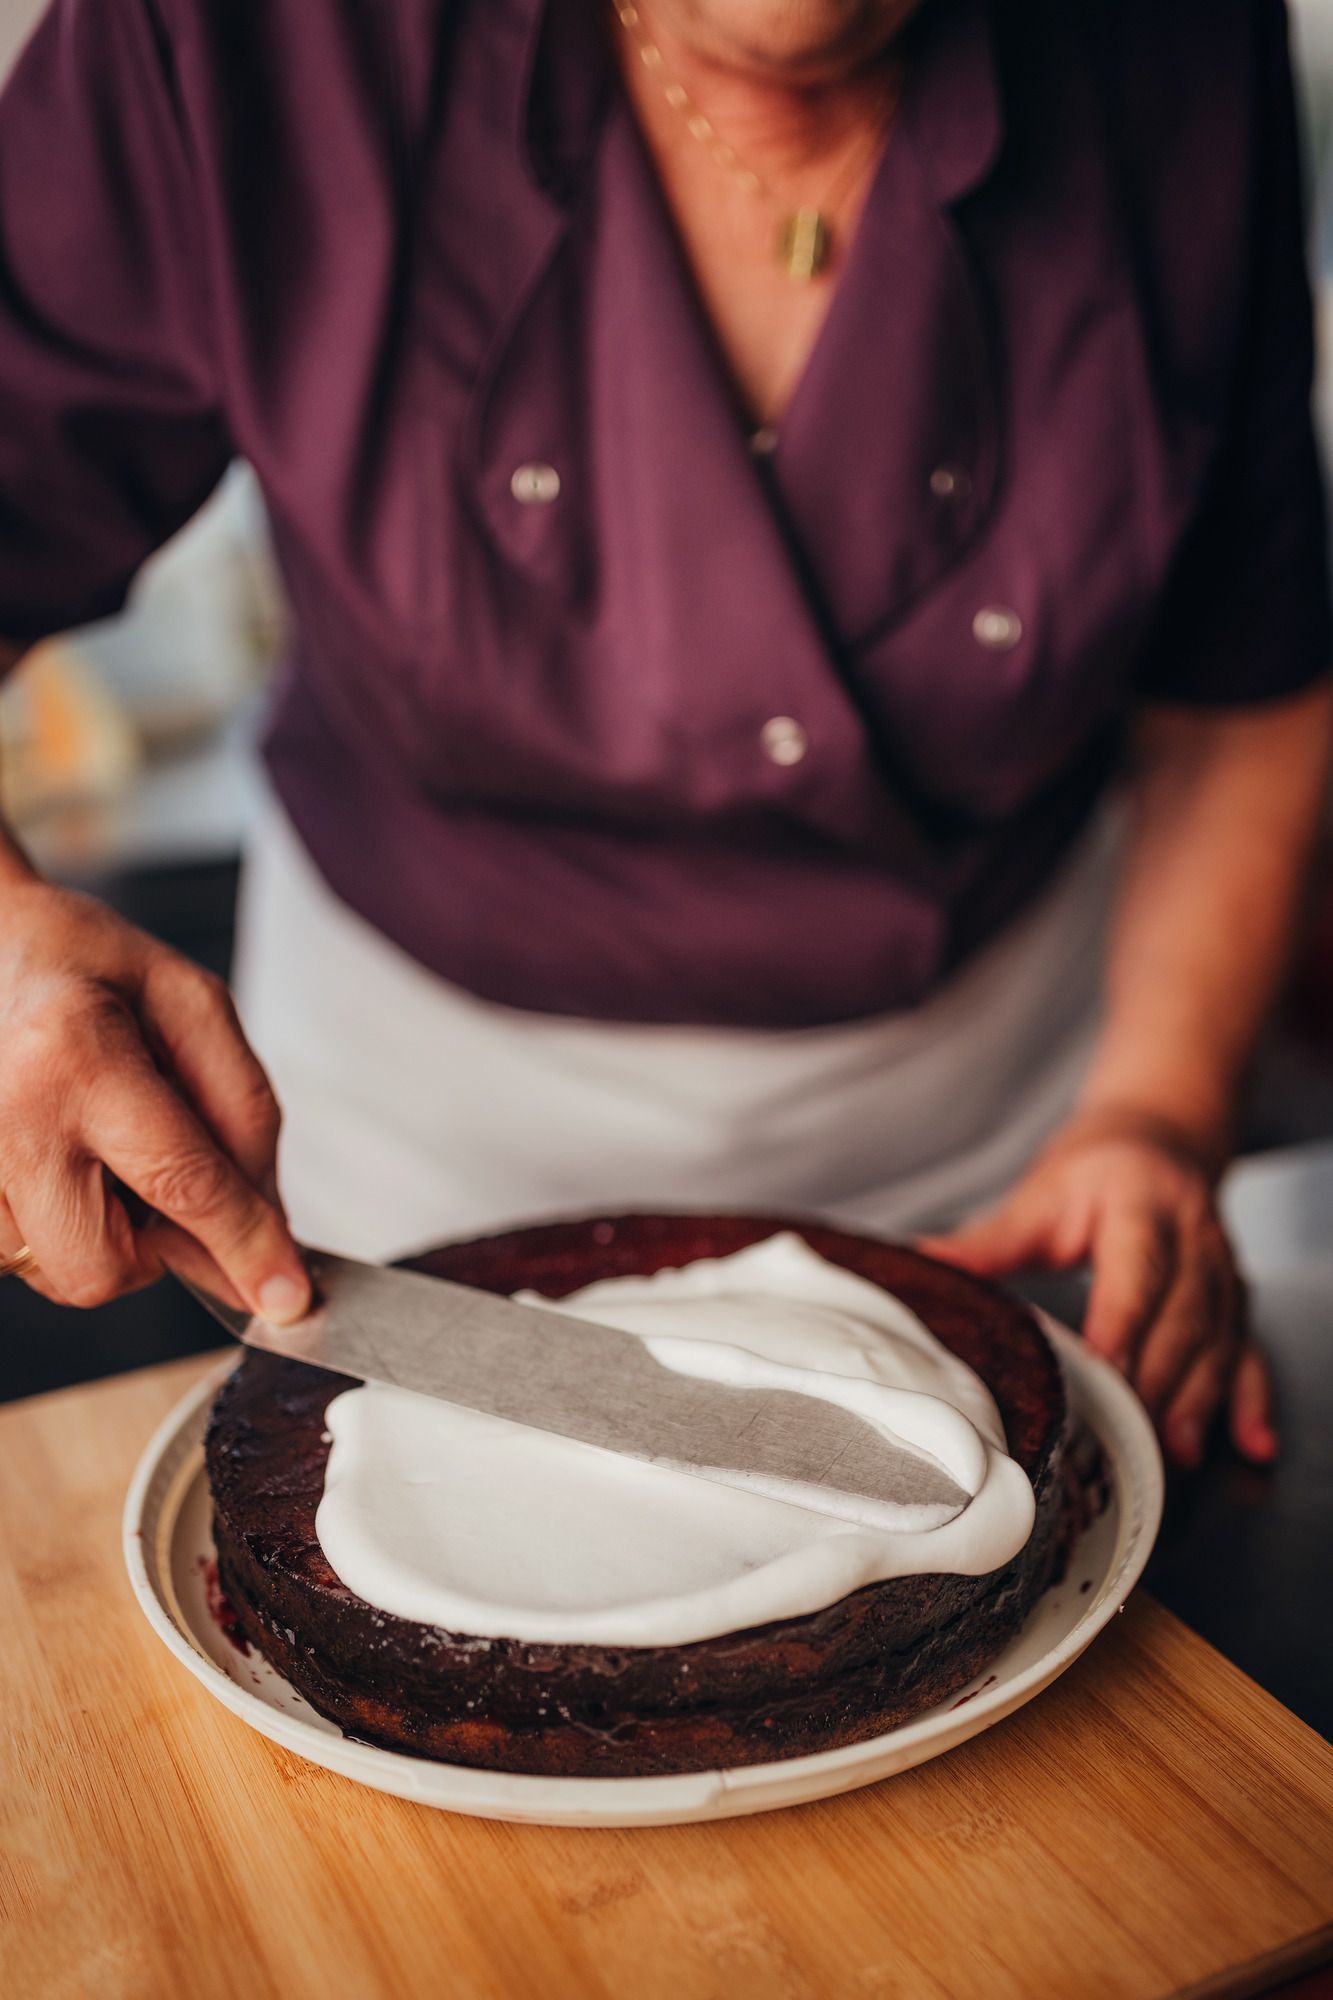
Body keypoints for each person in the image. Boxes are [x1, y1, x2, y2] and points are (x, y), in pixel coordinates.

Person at [0, 0, 1330, 1474]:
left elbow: (1238, 677)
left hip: (1000, 1177)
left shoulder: (1189, 50)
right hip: (409, 1180)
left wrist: (1159, 1103)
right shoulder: (224, 42)